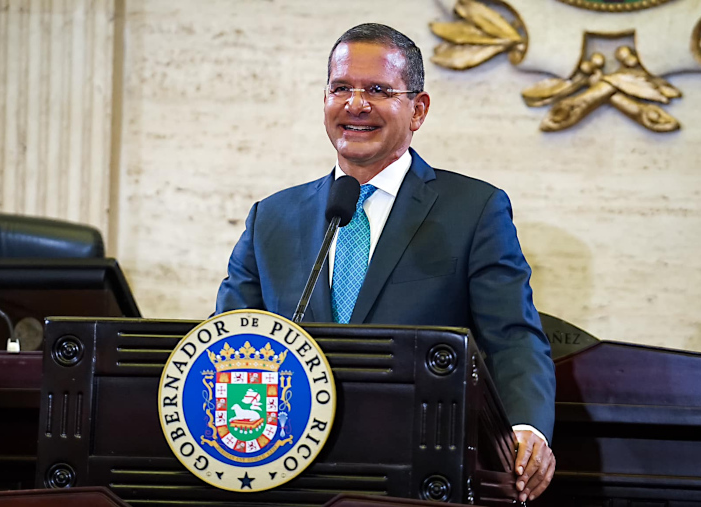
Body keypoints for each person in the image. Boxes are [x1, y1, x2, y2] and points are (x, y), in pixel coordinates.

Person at [215, 23, 556, 502]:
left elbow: (512, 337)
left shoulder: (473, 210)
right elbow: (228, 343)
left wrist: (526, 429)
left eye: (377, 90)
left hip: (418, 473)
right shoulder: (271, 218)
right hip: (286, 476)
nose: (355, 104)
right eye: (341, 88)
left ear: (418, 109)